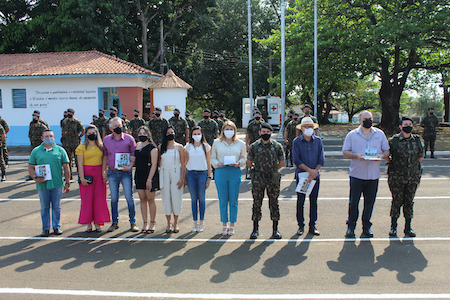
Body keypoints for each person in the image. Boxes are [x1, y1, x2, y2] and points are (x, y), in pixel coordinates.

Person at [342, 111, 390, 238]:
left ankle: (366, 227)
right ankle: (351, 227)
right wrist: (357, 156)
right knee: (354, 202)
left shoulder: (379, 134)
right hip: (357, 175)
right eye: (365, 119)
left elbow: (386, 150)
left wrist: (382, 156)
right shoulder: (352, 135)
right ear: (359, 121)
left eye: (370, 119)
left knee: (370, 203)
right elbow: (345, 152)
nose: (368, 121)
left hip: (373, 176)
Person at [385, 117, 424, 237]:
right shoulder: (394, 141)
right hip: (397, 177)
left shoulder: (417, 140)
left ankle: (408, 227)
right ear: (401, 127)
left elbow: (421, 156)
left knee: (409, 202)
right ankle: (393, 227)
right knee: (397, 202)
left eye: (410, 124)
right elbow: (387, 156)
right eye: (406, 124)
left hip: (412, 177)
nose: (408, 126)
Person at [28, 129, 70, 237]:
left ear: (54, 137)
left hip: (57, 184)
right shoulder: (36, 151)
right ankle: (45, 228)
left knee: (56, 206)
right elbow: (31, 167)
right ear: (42, 138)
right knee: (44, 207)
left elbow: (66, 167)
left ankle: (56, 226)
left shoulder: (60, 150)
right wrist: (35, 178)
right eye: (46, 136)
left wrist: (67, 182)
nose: (48, 138)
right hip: (42, 184)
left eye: (51, 136)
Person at [247, 123, 285, 239]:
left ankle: (275, 229)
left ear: (271, 133)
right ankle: (255, 229)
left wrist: (273, 170)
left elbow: (281, 162)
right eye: (263, 132)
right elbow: (249, 162)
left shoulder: (277, 146)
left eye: (268, 132)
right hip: (258, 178)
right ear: (259, 133)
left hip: (272, 179)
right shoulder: (254, 146)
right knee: (257, 203)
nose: (265, 134)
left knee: (274, 203)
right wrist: (259, 170)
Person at [102, 117, 139, 232]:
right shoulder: (106, 140)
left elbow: (133, 155)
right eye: (115, 126)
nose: (119, 128)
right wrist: (104, 171)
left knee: (129, 197)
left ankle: (133, 222)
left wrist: (130, 165)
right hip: (112, 173)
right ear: (110, 128)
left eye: (120, 125)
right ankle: (114, 222)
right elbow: (105, 156)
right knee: (113, 199)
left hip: (126, 173)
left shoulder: (129, 139)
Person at [211, 120, 246, 236]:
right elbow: (213, 158)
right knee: (223, 200)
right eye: (227, 129)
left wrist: (238, 163)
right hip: (221, 172)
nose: (229, 131)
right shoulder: (216, 143)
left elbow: (243, 159)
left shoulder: (241, 143)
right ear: (223, 131)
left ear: (235, 131)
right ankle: (224, 224)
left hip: (234, 172)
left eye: (231, 129)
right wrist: (217, 164)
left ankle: (232, 224)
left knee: (233, 200)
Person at [292, 117, 324, 236]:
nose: (308, 129)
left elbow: (321, 158)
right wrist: (309, 171)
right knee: (301, 201)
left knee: (313, 201)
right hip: (303, 176)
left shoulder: (318, 141)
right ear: (302, 129)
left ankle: (313, 225)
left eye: (311, 126)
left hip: (314, 176)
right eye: (306, 126)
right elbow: (296, 159)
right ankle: (301, 225)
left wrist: (314, 171)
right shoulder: (297, 141)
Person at [76, 125, 110, 232]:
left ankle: (98, 223)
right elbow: (80, 164)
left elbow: (105, 160)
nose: (92, 134)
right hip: (87, 175)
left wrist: (104, 172)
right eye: (89, 132)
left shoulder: (102, 146)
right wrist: (81, 178)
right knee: (87, 200)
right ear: (86, 134)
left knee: (99, 200)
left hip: (99, 175)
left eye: (94, 132)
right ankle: (88, 223)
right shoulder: (81, 147)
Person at [185, 126, 212, 232]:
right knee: (193, 199)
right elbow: (185, 162)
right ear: (191, 135)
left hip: (202, 174)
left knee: (201, 198)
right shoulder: (188, 147)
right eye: (195, 134)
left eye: (198, 134)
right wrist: (184, 177)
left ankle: (201, 222)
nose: (197, 136)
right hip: (191, 174)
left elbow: (209, 162)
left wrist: (209, 177)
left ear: (202, 135)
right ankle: (194, 222)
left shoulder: (206, 147)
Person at [159, 126, 186, 233]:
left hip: (176, 173)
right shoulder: (161, 147)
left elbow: (183, 164)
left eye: (172, 132)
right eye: (168, 132)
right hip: (164, 173)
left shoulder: (180, 147)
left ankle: (176, 222)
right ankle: (168, 223)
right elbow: (159, 162)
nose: (171, 134)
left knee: (176, 198)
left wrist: (182, 179)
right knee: (166, 198)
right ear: (165, 134)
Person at [135, 126, 159, 233]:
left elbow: (154, 165)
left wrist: (149, 179)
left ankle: (152, 223)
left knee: (150, 199)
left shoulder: (152, 147)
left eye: (144, 133)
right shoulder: (137, 145)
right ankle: (145, 223)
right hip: (138, 175)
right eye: (140, 133)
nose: (142, 135)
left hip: (149, 176)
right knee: (142, 199)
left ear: (148, 135)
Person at [61, 108, 84, 176]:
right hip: (67, 143)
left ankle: (80, 174)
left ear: (73, 114)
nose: (68, 114)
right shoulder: (64, 121)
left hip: (75, 143)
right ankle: (69, 175)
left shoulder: (77, 122)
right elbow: (63, 130)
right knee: (68, 160)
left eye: (70, 113)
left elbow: (82, 130)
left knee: (77, 160)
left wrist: (79, 137)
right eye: (68, 113)